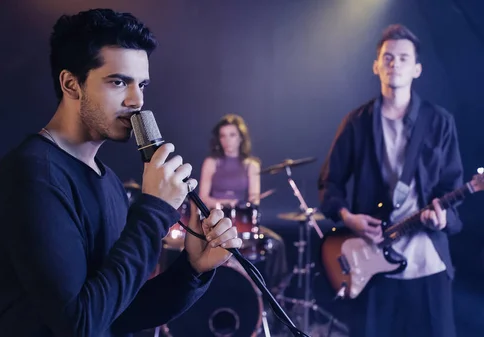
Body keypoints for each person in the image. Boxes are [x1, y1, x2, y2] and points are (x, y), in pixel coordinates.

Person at [0, 8, 242, 337]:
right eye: (119, 82)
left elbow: (117, 312)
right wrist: (155, 210)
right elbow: (79, 323)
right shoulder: (33, 175)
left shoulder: (109, 182)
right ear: (71, 84)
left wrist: (192, 270)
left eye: (142, 85)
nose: (137, 100)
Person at [318, 24, 463, 337]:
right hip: (371, 263)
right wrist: (348, 218)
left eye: (403, 58)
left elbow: (452, 188)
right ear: (376, 66)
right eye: (388, 58)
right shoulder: (356, 123)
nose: (395, 64)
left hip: (427, 262)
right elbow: (330, 184)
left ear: (417, 69)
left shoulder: (440, 122)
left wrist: (442, 219)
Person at [197, 114, 288, 292]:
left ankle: (276, 294)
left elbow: (254, 200)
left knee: (277, 243)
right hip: (216, 221)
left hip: (241, 222)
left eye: (232, 135)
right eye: (223, 135)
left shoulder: (251, 164)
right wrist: (224, 202)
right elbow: (203, 197)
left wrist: (240, 205)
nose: (227, 140)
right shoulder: (211, 162)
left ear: (241, 138)